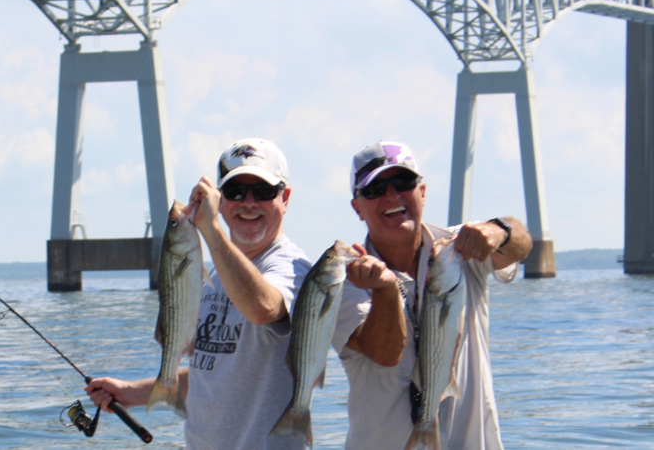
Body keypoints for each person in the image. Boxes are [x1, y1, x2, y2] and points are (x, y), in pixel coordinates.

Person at [86, 138, 312, 450]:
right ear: (221, 199)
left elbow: (263, 307)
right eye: (234, 192)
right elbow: (211, 376)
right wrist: (131, 392)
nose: (248, 202)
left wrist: (212, 230)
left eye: (263, 192)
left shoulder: (294, 267)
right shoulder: (213, 276)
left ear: (284, 198)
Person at [331, 140, 532, 450]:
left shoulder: (462, 248)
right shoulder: (345, 280)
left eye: (403, 182)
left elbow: (521, 245)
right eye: (375, 189)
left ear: (422, 191)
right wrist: (384, 290)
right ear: (357, 207)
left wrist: (498, 230)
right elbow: (384, 353)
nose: (392, 195)